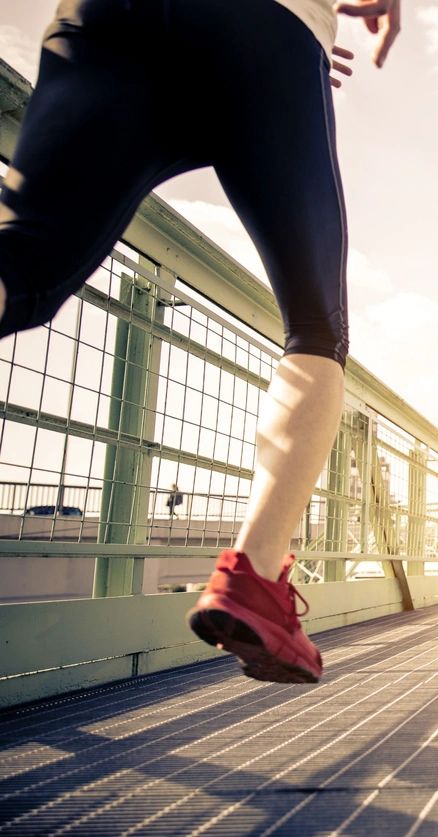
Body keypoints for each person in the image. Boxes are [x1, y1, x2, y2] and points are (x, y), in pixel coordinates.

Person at [0, 0, 400, 683]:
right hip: (268, 29)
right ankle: (256, 575)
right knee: (315, 325)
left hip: (111, 17)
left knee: (24, 268)